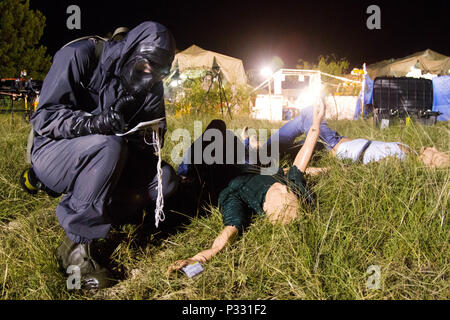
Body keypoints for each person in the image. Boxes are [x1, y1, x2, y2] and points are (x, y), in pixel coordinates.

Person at [28, 21, 179, 289]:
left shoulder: (152, 86)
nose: (150, 76)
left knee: (165, 180)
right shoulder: (79, 55)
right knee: (108, 146)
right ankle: (75, 248)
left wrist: (144, 139)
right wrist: (92, 123)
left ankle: (98, 208)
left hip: (108, 155)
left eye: (159, 72)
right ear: (131, 49)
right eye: (146, 65)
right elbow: (44, 118)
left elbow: (154, 140)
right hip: (51, 151)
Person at [167, 98, 326, 273]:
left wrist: (195, 260)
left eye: (280, 195)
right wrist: (316, 122)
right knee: (226, 136)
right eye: (287, 191)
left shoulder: (236, 197)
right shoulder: (293, 187)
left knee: (217, 127)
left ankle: (184, 173)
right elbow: (302, 161)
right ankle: (247, 142)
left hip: (209, 171)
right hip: (241, 162)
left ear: (266, 208)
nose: (282, 188)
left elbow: (229, 232)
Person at [243, 104, 450, 169]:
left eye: (434, 151)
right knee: (303, 143)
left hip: (337, 146)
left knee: (308, 114)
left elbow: (372, 166)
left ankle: (261, 151)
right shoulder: (408, 152)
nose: (431, 146)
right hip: (340, 141)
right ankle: (261, 149)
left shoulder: (403, 159)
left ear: (430, 160)